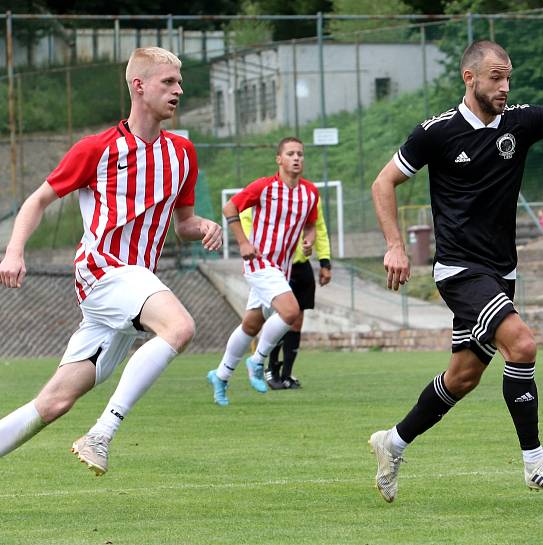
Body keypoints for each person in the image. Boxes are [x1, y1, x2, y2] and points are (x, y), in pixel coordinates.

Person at [368, 40, 543, 503]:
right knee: (522, 344)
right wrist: (395, 246)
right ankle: (535, 463)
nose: (504, 86)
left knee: (463, 377)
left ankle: (392, 442)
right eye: (495, 77)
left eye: (508, 77)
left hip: (499, 272)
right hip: (458, 271)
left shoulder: (520, 122)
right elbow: (383, 181)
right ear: (469, 78)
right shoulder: (437, 133)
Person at [0, 47, 222, 475]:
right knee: (180, 328)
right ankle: (102, 432)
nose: (179, 90)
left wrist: (204, 226)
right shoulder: (97, 149)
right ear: (139, 86)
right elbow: (38, 199)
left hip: (134, 286)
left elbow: (184, 223)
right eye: (168, 82)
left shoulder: (182, 153)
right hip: (103, 270)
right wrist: (14, 250)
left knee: (54, 403)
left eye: (180, 82)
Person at [207, 137, 319, 406]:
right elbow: (229, 207)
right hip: (259, 261)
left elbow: (311, 224)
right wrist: (244, 242)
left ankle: (220, 375)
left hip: (282, 267)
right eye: (290, 154)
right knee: (291, 312)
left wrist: (309, 240)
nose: (296, 158)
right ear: (279, 160)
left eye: (300, 154)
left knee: (251, 324)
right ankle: (257, 361)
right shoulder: (264, 187)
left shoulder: (310, 193)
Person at [239, 199, 332, 390]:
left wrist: (324, 261)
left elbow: (318, 227)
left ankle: (287, 374)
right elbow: (245, 220)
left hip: (301, 265)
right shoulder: (265, 194)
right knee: (279, 318)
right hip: (274, 267)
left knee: (296, 322)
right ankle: (270, 369)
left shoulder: (309, 196)